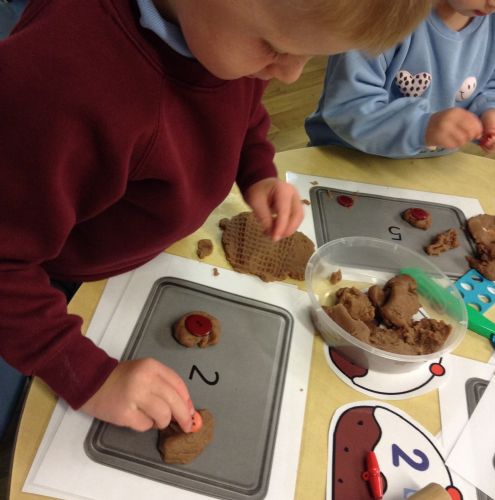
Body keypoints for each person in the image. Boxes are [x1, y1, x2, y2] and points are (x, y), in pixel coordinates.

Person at [0, 0, 432, 434]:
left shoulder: (220, 39)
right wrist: (89, 377)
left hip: (125, 258)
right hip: (42, 283)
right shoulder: (62, 84)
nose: (290, 74)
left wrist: (258, 173)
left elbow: (242, 112)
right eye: (275, 47)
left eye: (311, 56)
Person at [305, 0, 495, 159]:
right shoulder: (378, 14)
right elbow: (348, 108)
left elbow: (494, 83)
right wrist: (422, 127)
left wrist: (490, 111)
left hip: (426, 165)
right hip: (346, 156)